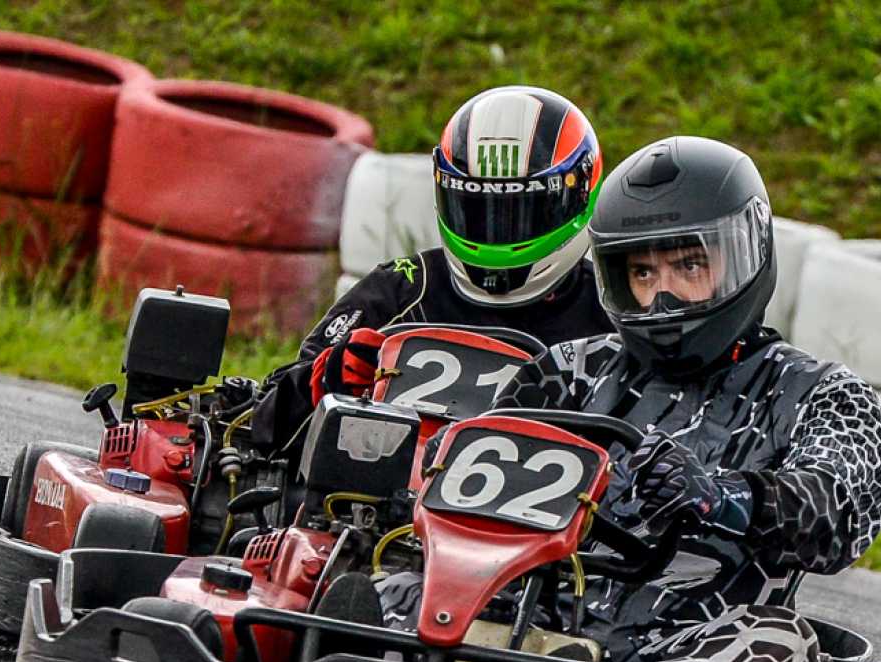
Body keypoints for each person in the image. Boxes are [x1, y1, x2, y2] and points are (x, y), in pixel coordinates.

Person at [478, 135, 881, 662]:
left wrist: (721, 498)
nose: (663, 297)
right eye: (642, 273)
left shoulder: (820, 392)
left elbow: (839, 513)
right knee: (390, 582)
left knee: (781, 638)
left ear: (746, 254)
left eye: (689, 266)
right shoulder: (567, 371)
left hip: (682, 649)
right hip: (531, 619)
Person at [250, 85, 612, 460]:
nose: (497, 235)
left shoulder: (609, 313)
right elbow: (263, 425)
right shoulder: (403, 290)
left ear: (580, 195)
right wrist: (326, 379)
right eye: (478, 211)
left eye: (521, 214)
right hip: (384, 492)